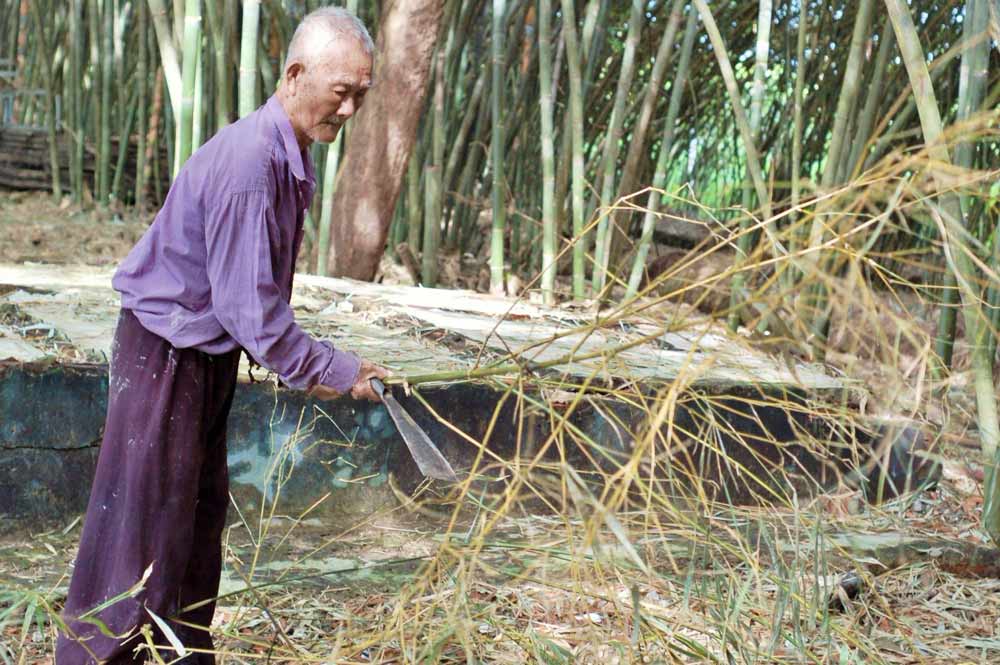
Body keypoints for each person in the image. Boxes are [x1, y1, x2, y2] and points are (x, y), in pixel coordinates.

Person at [55, 8, 385, 664]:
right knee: (142, 535)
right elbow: (250, 312)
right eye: (340, 91)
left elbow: (247, 302)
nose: (348, 110)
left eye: (361, 97)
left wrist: (309, 363)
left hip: (199, 353)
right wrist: (332, 368)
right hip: (165, 354)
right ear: (294, 75)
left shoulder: (288, 153)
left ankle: (177, 653)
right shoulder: (250, 163)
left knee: (194, 521)